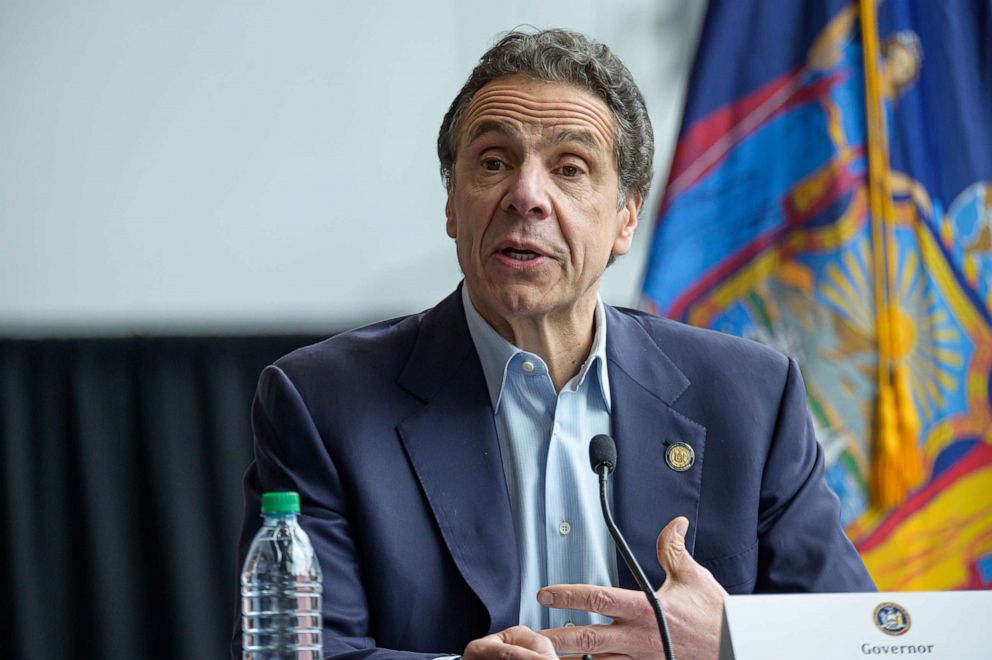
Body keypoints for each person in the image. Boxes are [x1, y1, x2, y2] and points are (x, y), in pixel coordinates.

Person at [234, 28, 874, 660]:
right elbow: (297, 652)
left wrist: (734, 644)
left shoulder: (752, 398)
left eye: (570, 168)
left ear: (626, 217)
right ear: (453, 204)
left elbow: (860, 644)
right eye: (493, 162)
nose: (525, 197)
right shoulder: (322, 403)